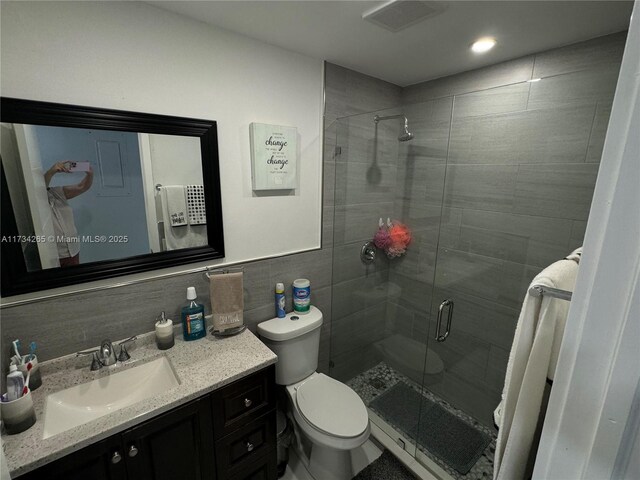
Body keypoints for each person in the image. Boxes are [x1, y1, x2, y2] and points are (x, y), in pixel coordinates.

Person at [45, 161, 93, 266]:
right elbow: (39, 189)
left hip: (73, 250)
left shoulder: (56, 193)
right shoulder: (36, 200)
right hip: (54, 255)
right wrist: (51, 172)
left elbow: (82, 187)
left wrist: (90, 174)